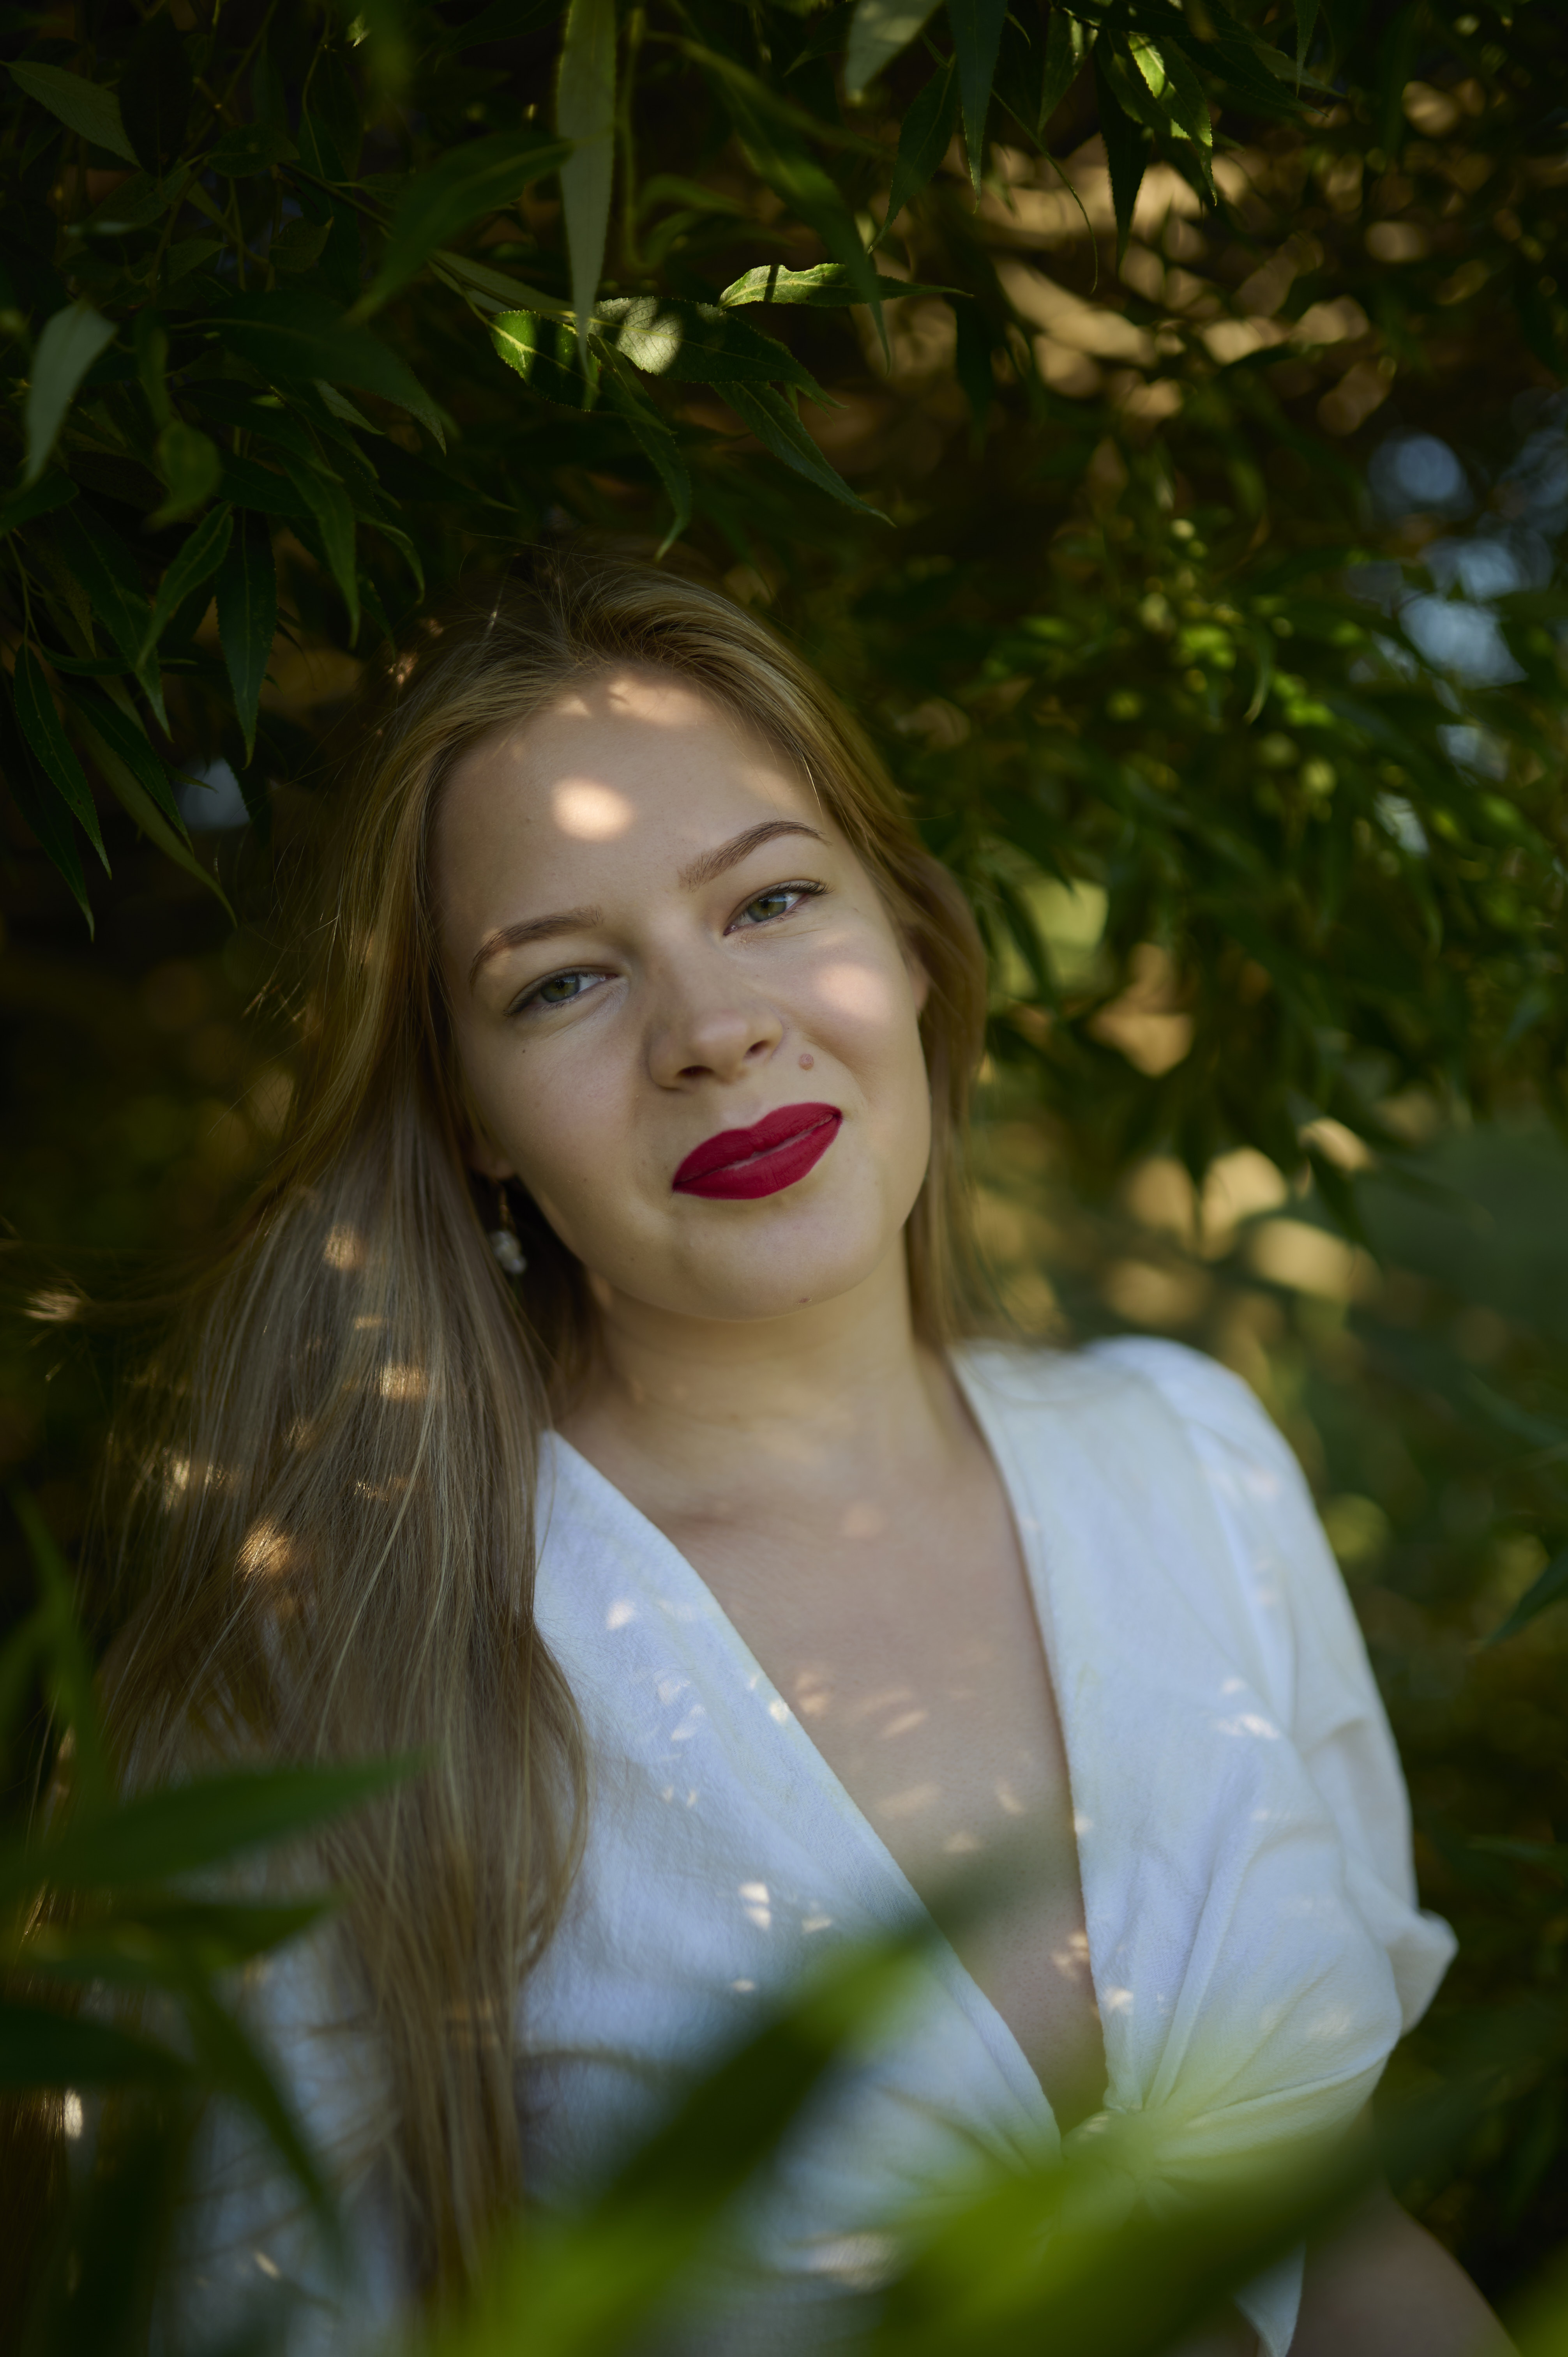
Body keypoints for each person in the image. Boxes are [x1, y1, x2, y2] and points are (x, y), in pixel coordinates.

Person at [90, 556, 1504, 2355]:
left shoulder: (1190, 1458)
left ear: (909, 942)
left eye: (768, 900)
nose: (713, 1032)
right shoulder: (343, 1663)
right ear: (469, 1122)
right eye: (561, 984)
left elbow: (1339, 2234)